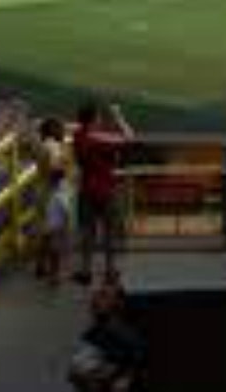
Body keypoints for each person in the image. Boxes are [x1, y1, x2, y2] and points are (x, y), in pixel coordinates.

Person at [72, 102, 133, 286]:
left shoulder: (78, 136)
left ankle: (86, 271)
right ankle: (110, 270)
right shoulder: (98, 140)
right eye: (98, 118)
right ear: (93, 120)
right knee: (109, 232)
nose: (101, 120)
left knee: (88, 233)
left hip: (86, 190)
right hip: (106, 190)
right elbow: (129, 137)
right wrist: (118, 116)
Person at [69, 280, 143, 392]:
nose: (95, 300)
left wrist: (123, 379)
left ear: (118, 302)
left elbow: (131, 372)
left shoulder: (128, 338)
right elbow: (74, 373)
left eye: (103, 295)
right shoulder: (89, 335)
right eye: (96, 295)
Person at [37, 168, 71, 286]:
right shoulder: (63, 192)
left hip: (46, 223)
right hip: (56, 225)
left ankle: (41, 267)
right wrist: (67, 226)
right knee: (54, 251)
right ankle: (54, 275)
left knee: (45, 246)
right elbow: (66, 210)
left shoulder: (46, 190)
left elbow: (39, 207)